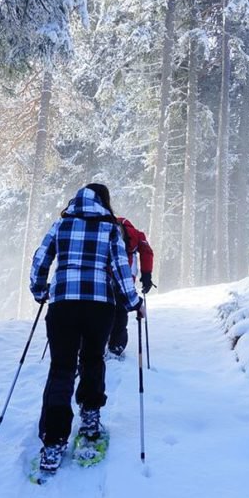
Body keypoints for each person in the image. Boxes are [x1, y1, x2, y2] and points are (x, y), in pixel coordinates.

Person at [30, 183, 144, 473]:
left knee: (61, 368)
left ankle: (54, 440)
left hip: (63, 304)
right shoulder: (109, 228)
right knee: (93, 360)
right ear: (103, 202)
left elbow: (41, 259)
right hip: (99, 306)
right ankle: (90, 421)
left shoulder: (61, 224)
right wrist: (134, 302)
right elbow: (120, 268)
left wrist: (39, 289)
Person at [107, 217, 154, 358]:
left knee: (102, 307)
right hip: (127, 275)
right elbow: (147, 252)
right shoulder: (136, 234)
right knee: (121, 308)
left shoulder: (104, 228)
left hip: (104, 275)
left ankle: (97, 341)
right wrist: (147, 275)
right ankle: (116, 345)